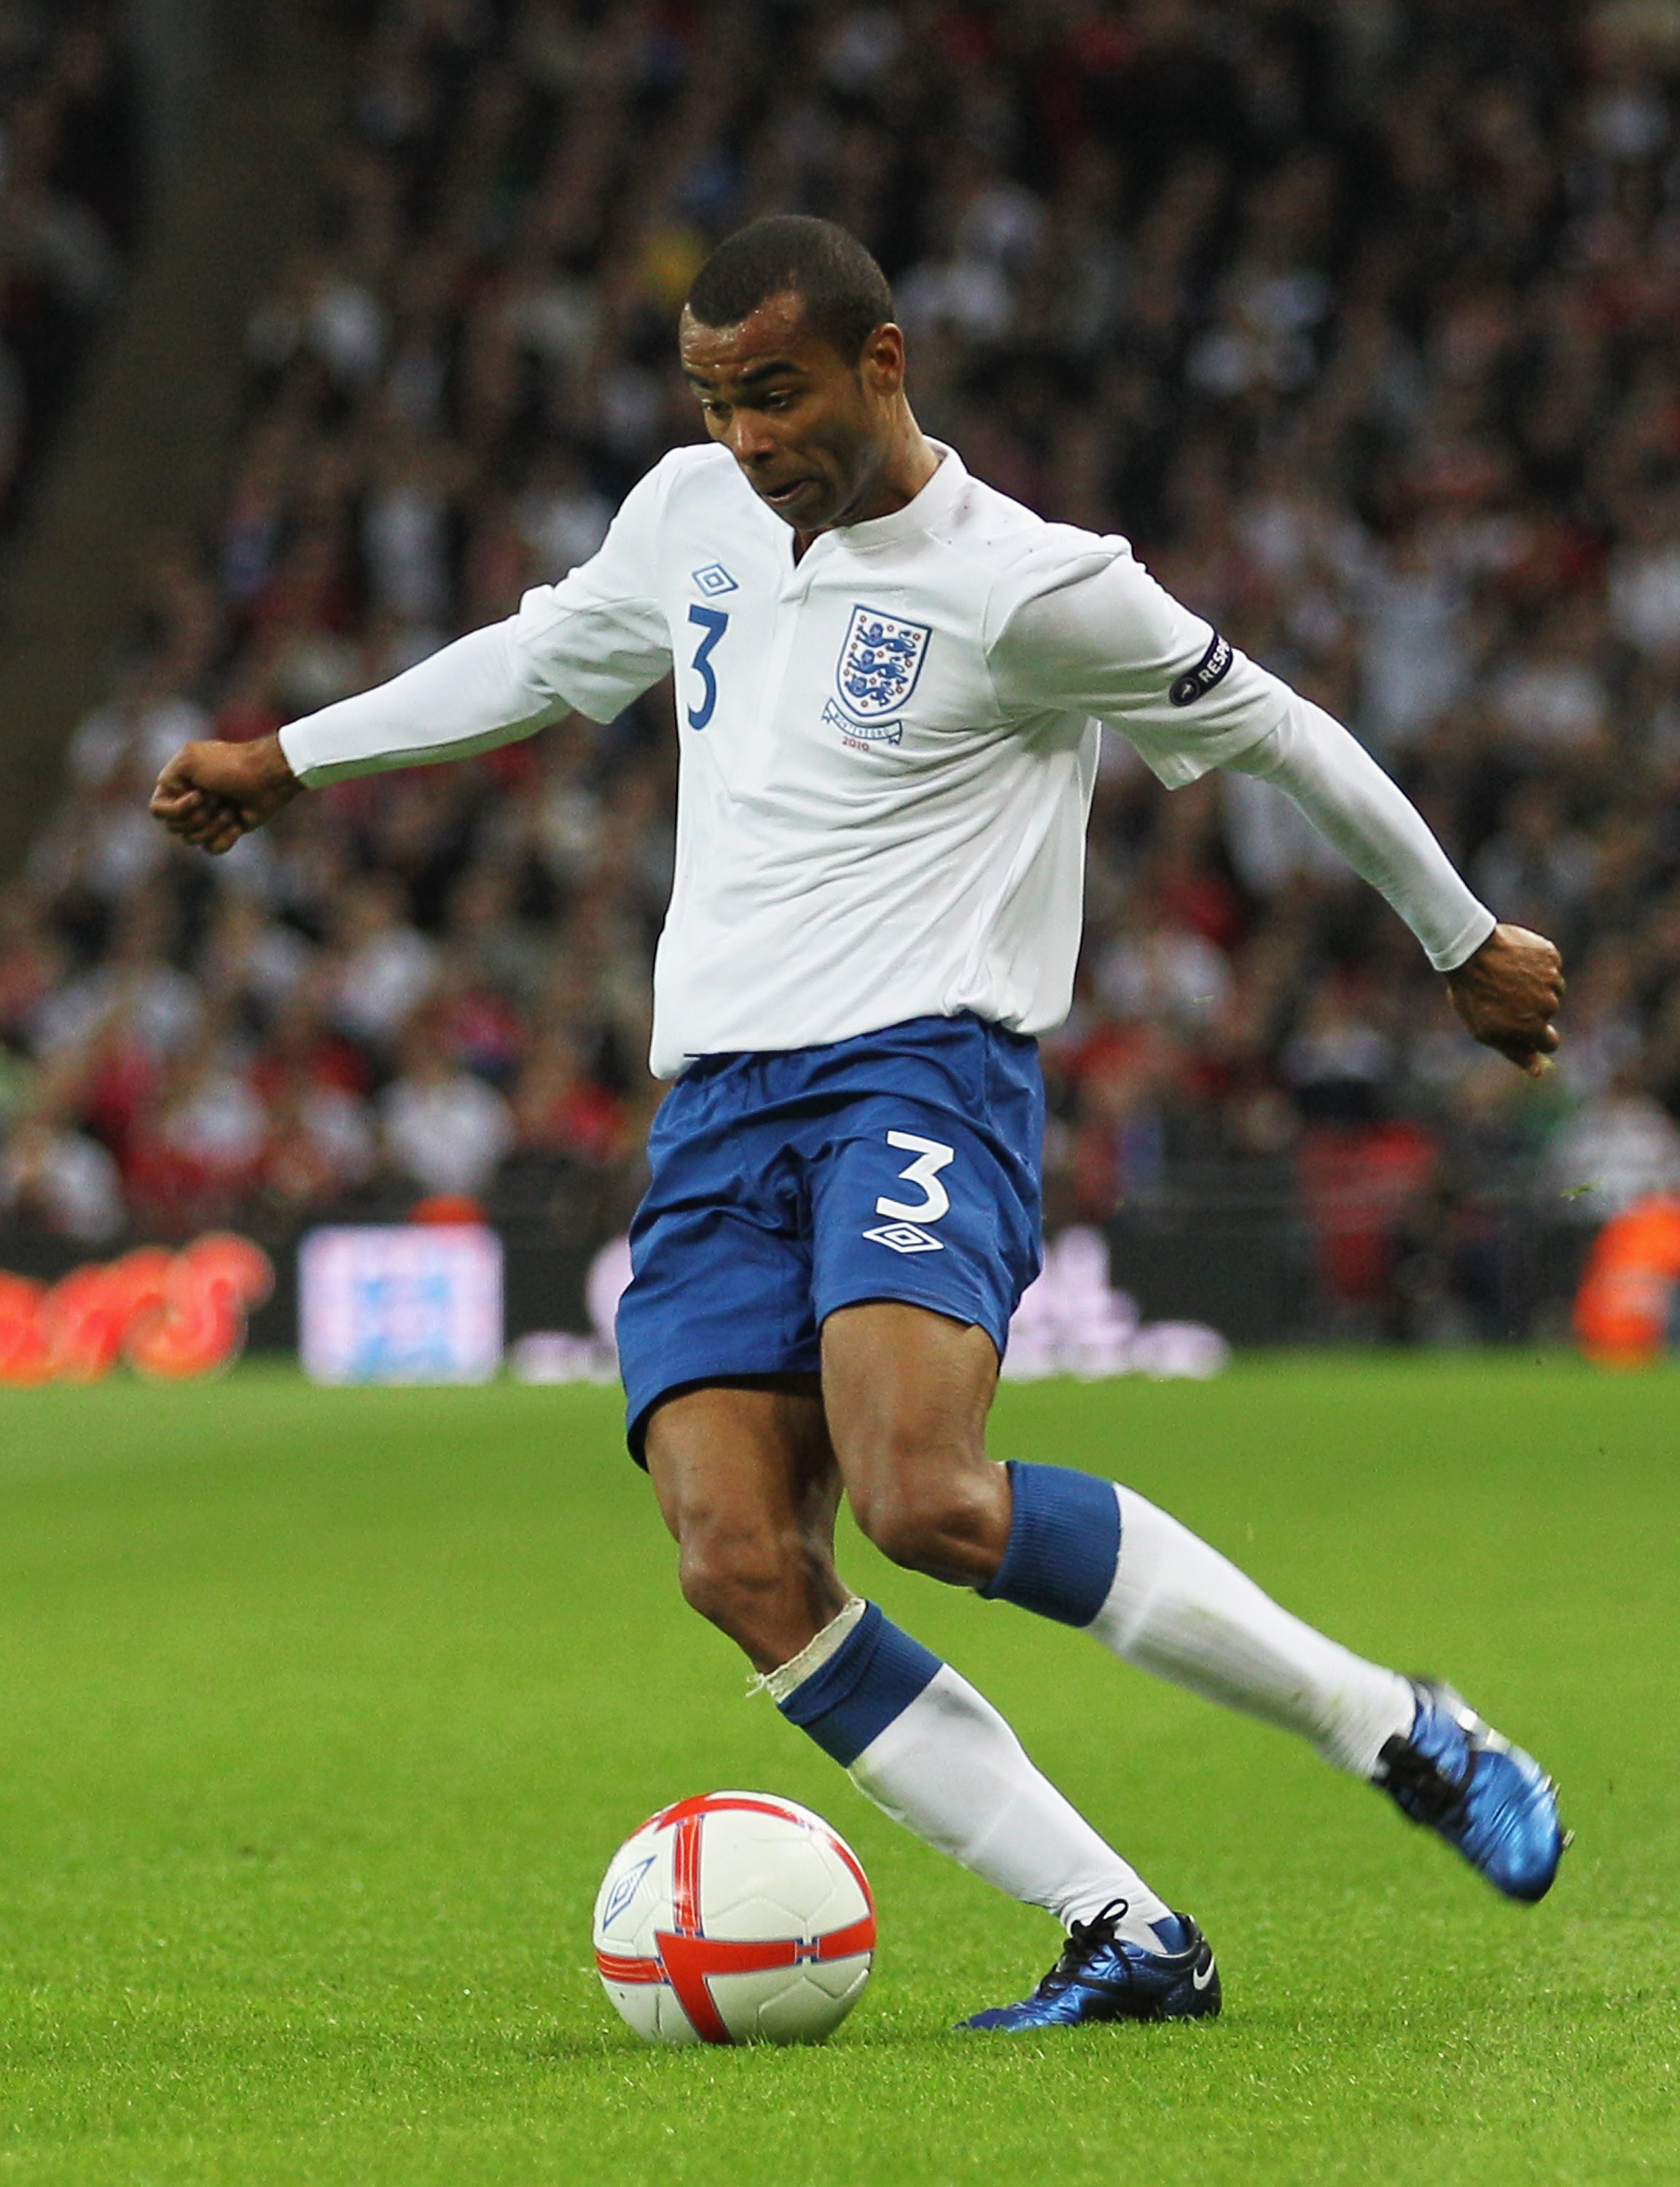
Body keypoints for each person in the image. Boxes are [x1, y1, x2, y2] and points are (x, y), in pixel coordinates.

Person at [150, 217, 1566, 2033]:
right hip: (714, 1107)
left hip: (918, 1069)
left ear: (881, 365)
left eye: (776, 392)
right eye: (716, 399)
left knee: (924, 1499)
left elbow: (1282, 731)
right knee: (736, 1559)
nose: (746, 436)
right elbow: (536, 659)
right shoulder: (690, 515)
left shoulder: (1036, 588)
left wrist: (1461, 941)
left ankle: (1394, 1728)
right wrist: (289, 758)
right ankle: (1123, 1929)